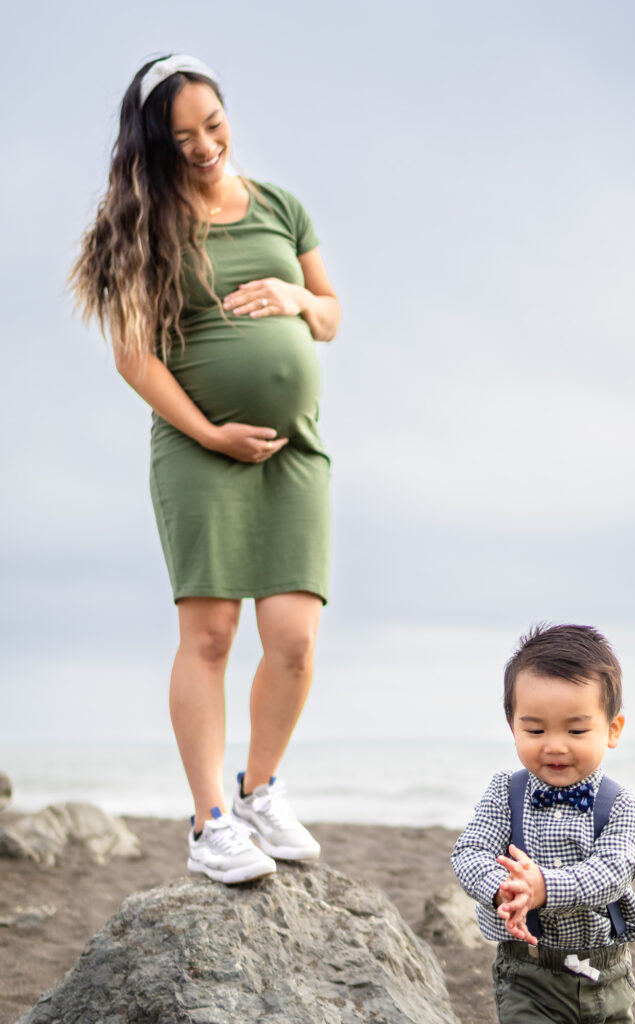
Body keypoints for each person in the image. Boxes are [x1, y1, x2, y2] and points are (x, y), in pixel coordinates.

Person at [70, 54, 341, 884]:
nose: (204, 145)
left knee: (293, 640)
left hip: (295, 449)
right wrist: (210, 432)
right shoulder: (144, 226)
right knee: (213, 634)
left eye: (213, 126)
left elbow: (331, 315)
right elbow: (133, 357)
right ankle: (209, 823)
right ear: (155, 142)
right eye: (183, 136)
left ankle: (259, 789)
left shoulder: (281, 207)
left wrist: (296, 299)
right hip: (198, 449)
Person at [451, 624, 635, 1024]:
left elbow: (615, 870)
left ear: (612, 730)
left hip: (605, 972)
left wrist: (544, 887)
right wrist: (506, 890)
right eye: (535, 729)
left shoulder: (620, 804)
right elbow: (468, 853)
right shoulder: (505, 792)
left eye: (576, 730)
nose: (555, 744)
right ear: (512, 727)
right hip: (528, 973)